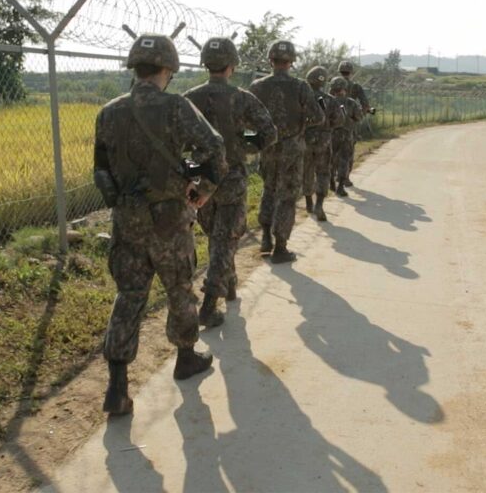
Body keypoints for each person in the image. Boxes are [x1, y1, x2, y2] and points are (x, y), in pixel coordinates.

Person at [94, 34, 228, 416]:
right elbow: (215, 149)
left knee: (129, 297)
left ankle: (117, 387)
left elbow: (100, 170)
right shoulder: (176, 107)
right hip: (170, 222)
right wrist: (201, 190)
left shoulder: (108, 112)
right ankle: (186, 357)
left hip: (127, 224)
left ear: (134, 68)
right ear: (168, 69)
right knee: (180, 291)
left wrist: (122, 202)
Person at [184, 37, 277, 327]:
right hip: (232, 175)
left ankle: (230, 282)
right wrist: (243, 142)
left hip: (202, 177)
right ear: (232, 65)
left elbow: (180, 140)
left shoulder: (189, 98)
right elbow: (268, 132)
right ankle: (210, 303)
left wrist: (197, 154)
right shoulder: (242, 97)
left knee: (217, 236)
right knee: (226, 239)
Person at [248, 40, 323, 263]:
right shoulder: (301, 87)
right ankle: (280, 246)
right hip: (292, 147)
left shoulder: (257, 86)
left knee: (269, 189)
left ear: (271, 60)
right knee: (288, 196)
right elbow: (318, 117)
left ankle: (265, 238)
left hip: (268, 146)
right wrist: (300, 127)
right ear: (291, 62)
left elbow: (247, 120)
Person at [301, 66, 344, 222]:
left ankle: (308, 203)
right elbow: (339, 120)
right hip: (324, 140)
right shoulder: (329, 100)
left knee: (307, 170)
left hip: (305, 139)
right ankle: (319, 204)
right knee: (323, 172)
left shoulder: (301, 98)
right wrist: (328, 127)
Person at [337, 60, 372, 187]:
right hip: (349, 124)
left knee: (333, 150)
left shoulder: (332, 84)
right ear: (351, 72)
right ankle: (345, 177)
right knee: (348, 152)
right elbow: (365, 104)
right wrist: (359, 116)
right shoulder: (356, 87)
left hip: (333, 123)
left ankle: (333, 176)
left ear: (339, 71)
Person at [329, 76, 363, 198]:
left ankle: (331, 182)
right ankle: (340, 186)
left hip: (332, 134)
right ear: (345, 88)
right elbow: (358, 117)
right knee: (344, 160)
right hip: (347, 135)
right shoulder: (351, 102)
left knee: (331, 158)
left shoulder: (328, 101)